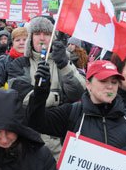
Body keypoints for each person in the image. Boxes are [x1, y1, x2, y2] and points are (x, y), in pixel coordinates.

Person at [8, 16, 86, 157]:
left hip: (60, 145)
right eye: (37, 34)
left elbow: (79, 92)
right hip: (28, 143)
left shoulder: (63, 62)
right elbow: (20, 95)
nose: (42, 38)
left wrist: (64, 65)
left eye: (47, 34)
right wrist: (56, 97)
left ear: (53, 37)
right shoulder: (20, 63)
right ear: (31, 37)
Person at [0, 27, 28, 93]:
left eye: (24, 40)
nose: (21, 43)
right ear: (12, 42)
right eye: (17, 40)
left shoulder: (35, 60)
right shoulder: (3, 62)